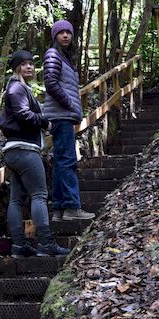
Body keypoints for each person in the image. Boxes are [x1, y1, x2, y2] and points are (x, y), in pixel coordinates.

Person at [0, 49, 69, 258]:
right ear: (16, 68)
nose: (29, 67)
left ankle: (20, 246)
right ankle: (46, 243)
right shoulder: (16, 89)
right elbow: (23, 114)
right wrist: (44, 121)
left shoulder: (19, 88)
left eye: (31, 63)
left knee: (16, 200)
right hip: (25, 150)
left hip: (14, 151)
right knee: (39, 195)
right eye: (24, 64)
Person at [43, 20, 94, 221]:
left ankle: (59, 210)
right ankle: (72, 207)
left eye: (68, 33)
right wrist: (70, 105)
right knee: (68, 161)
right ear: (55, 36)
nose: (65, 36)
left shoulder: (64, 58)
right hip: (61, 115)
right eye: (61, 32)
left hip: (62, 116)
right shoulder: (53, 55)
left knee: (60, 161)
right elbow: (51, 84)